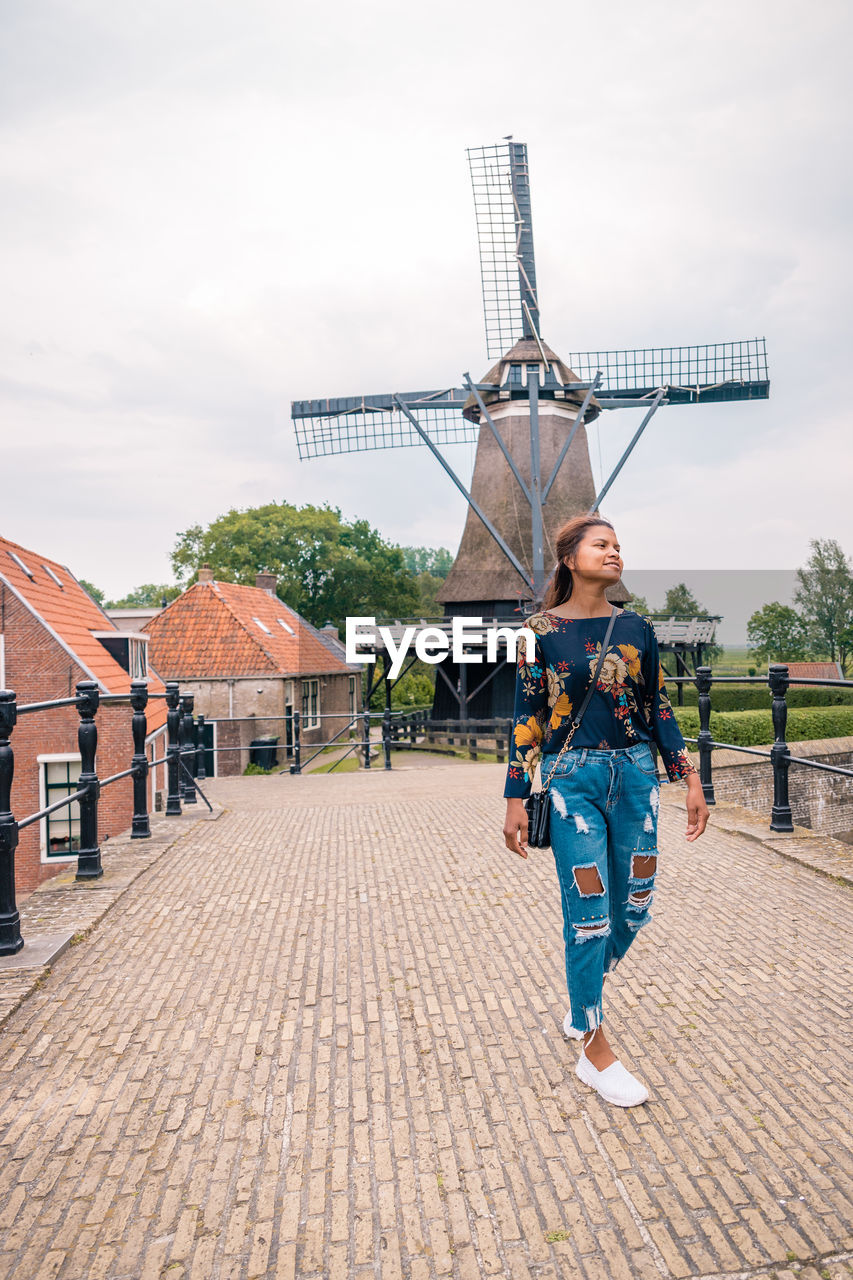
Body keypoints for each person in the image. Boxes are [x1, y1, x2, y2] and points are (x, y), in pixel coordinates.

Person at [503, 515, 709, 1107]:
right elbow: (527, 717)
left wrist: (689, 776)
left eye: (618, 545)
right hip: (573, 786)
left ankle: (579, 992)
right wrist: (516, 796)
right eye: (601, 544)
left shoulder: (637, 627)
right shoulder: (536, 631)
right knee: (589, 911)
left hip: (638, 779)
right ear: (570, 557)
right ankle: (594, 1049)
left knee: (636, 906)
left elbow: (658, 708)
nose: (614, 552)